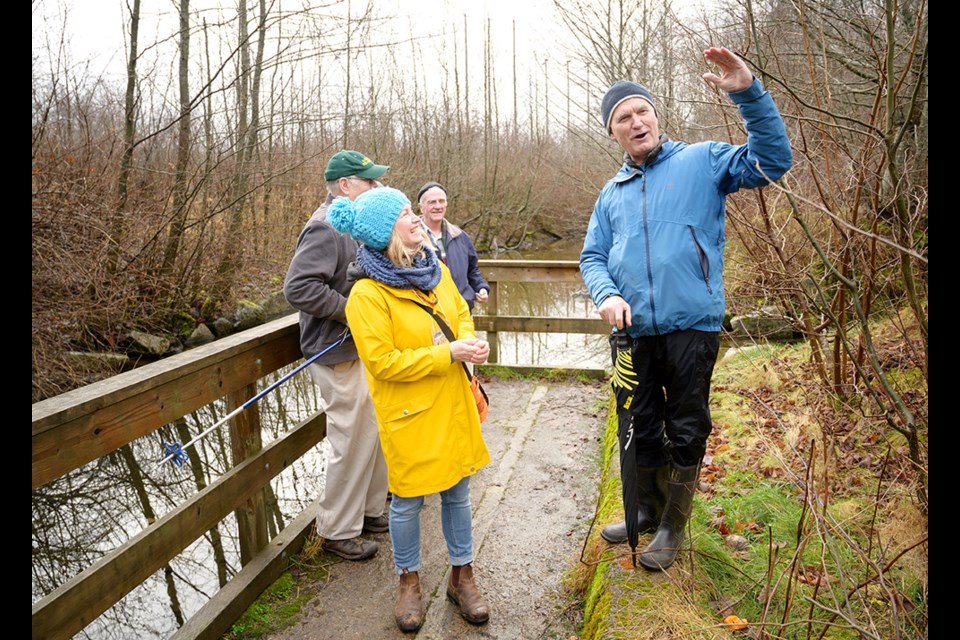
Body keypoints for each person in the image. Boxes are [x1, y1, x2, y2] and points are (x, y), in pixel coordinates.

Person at [580, 47, 793, 571]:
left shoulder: (702, 161)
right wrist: (606, 294)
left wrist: (748, 91)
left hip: (691, 324)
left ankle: (674, 525)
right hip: (632, 331)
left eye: (641, 111)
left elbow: (773, 160)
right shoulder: (611, 193)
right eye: (623, 118)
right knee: (641, 419)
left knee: (687, 423)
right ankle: (648, 510)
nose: (636, 122)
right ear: (613, 134)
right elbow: (592, 256)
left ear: (657, 116)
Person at [328, 186, 492, 632]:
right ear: (385, 232)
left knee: (458, 493)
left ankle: (463, 576)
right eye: (404, 214)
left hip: (453, 403)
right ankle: (409, 581)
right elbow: (382, 364)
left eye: (411, 210)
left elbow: (459, 312)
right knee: (407, 503)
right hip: (409, 414)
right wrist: (448, 355)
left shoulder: (433, 268)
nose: (416, 218)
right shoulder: (366, 296)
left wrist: (471, 340)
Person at [282, 150, 392, 562]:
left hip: (358, 346)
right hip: (336, 351)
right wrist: (354, 313)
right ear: (345, 186)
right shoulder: (325, 227)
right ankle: (337, 530)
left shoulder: (354, 226)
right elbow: (299, 288)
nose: (376, 186)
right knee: (350, 438)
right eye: (369, 181)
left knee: (373, 431)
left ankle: (367, 510)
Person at [416, 181, 489, 312]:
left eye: (441, 201)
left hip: (462, 308)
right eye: (432, 202)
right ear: (421, 208)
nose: (438, 206)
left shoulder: (460, 236)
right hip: (430, 312)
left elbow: (472, 269)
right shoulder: (411, 237)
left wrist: (481, 287)